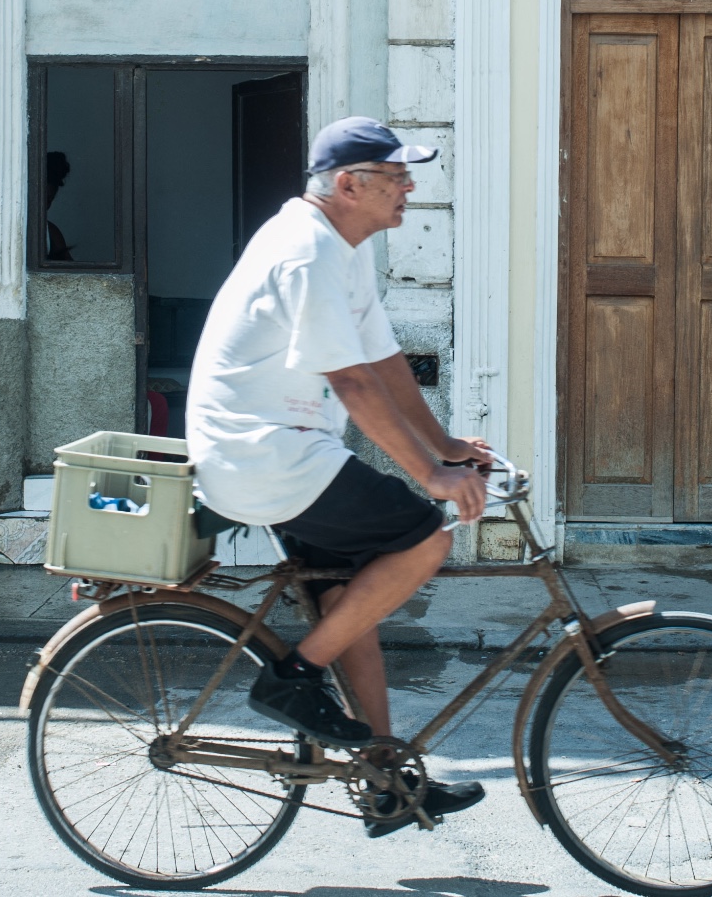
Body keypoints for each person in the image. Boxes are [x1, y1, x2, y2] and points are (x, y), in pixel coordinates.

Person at [187, 116, 492, 838]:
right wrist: (431, 476)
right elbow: (352, 382)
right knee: (424, 538)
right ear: (349, 185)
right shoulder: (308, 250)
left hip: (286, 452)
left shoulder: (342, 246)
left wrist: (445, 443)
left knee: (354, 606)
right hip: (266, 456)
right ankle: (291, 681)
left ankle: (386, 781)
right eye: (395, 176)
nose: (409, 187)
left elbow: (383, 360)